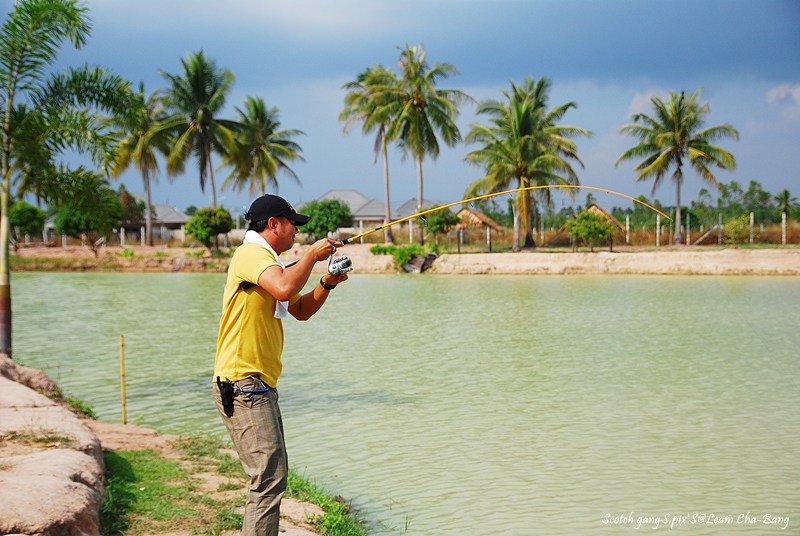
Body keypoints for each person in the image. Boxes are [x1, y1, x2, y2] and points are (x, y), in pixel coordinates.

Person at [212, 193, 348, 535]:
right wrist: (312, 256)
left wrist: (326, 282)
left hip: (256, 385)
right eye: (292, 226)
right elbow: (286, 288)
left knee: (271, 476)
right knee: (268, 478)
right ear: (273, 224)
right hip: (244, 383)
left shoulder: (267, 263)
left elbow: (299, 310)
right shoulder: (251, 254)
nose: (296, 234)